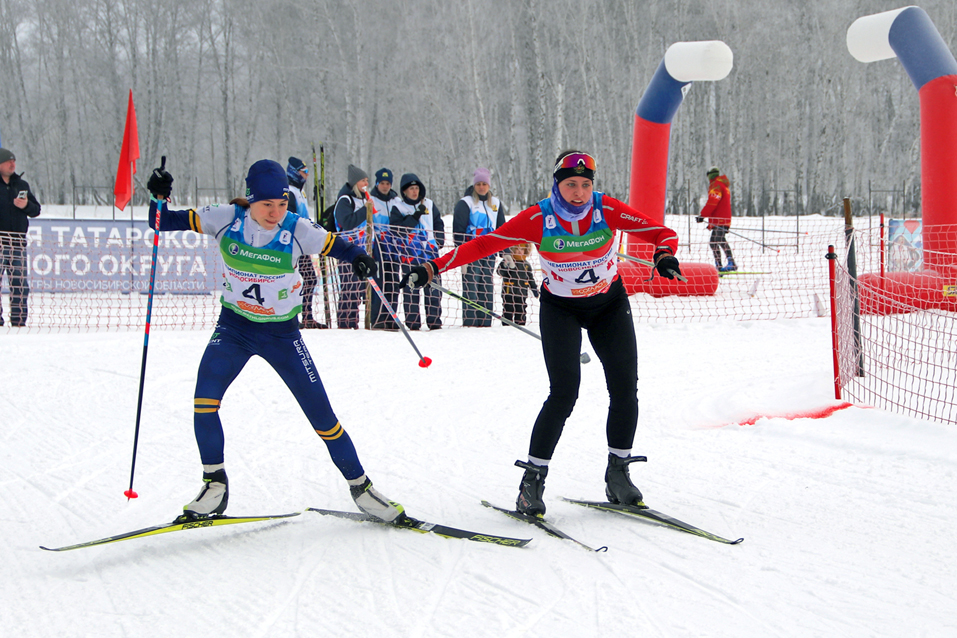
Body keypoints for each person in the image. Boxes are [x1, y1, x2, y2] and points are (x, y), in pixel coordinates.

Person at [402, 150, 681, 517]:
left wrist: (665, 255)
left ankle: (618, 474)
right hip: (560, 309)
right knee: (564, 394)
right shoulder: (539, 217)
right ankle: (531, 482)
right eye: (570, 185)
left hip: (608, 305)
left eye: (585, 184)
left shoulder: (606, 209)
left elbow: (663, 232)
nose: (578, 193)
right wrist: (433, 266)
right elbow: (486, 244)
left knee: (625, 388)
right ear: (557, 184)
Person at [145, 158, 403, 523]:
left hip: (281, 335)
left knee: (323, 418)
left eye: (282, 204)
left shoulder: (297, 228)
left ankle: (361, 488)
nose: (276, 213)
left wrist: (359, 257)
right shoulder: (225, 218)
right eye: (268, 205)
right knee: (204, 402)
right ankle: (214, 484)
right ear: (251, 200)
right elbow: (162, 222)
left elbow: (338, 246)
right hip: (234, 329)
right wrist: (158, 196)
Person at [452, 168, 506, 326]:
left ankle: (485, 321)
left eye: (484, 184)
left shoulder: (495, 203)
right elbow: (458, 230)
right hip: (471, 252)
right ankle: (470, 321)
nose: (481, 187)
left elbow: (502, 229)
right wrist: (461, 255)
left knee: (486, 287)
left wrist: (506, 252)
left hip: (489, 252)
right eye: (478, 184)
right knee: (471, 287)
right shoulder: (466, 203)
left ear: (489, 185)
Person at [391, 173, 444, 331]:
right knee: (411, 290)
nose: (414, 191)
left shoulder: (429, 204)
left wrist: (439, 241)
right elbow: (398, 231)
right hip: (409, 256)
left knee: (434, 289)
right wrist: (416, 215)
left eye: (417, 188)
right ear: (405, 191)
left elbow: (438, 224)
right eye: (411, 189)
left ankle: (434, 321)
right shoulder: (398, 207)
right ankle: (413, 322)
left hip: (430, 255)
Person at [0, 148, 41, 327]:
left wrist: (26, 205)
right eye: (8, 161)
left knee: (20, 285)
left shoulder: (21, 185)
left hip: (17, 244)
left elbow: (36, 210)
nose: (12, 165)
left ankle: (18, 321)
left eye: (14, 161)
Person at [286, 156, 325, 329]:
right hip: (291, 245)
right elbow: (290, 218)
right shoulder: (289, 192)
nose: (307, 175)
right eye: (304, 172)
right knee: (291, 281)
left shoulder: (300, 192)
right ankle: (289, 317)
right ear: (295, 173)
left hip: (301, 244)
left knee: (310, 277)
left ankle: (307, 315)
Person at [333, 164, 371, 329]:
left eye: (367, 180)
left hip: (361, 249)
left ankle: (353, 321)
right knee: (349, 286)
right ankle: (345, 321)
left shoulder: (363, 199)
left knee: (357, 287)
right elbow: (347, 223)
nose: (366, 184)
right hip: (346, 250)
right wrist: (365, 210)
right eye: (363, 180)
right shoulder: (345, 200)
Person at [367, 168, 401, 331]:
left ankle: (392, 316)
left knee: (394, 283)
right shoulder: (371, 200)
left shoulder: (396, 200)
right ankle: (378, 317)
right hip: (378, 246)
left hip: (393, 248)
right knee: (379, 282)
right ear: (377, 183)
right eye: (382, 183)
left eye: (388, 183)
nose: (385, 186)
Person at [696, 166, 736, 272]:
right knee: (714, 241)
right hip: (722, 218)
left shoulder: (716, 185)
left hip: (720, 219)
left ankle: (731, 263)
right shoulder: (722, 185)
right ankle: (719, 265)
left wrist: (702, 215)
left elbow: (713, 201)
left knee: (719, 239)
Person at [495, 242, 538, 326]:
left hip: (522, 292)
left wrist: (534, 289)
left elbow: (530, 278)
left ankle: (520, 326)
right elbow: (499, 272)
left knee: (521, 310)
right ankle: (506, 326)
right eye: (517, 249)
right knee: (508, 309)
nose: (519, 251)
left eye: (522, 249)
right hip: (508, 291)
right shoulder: (508, 260)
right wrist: (505, 265)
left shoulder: (526, 265)